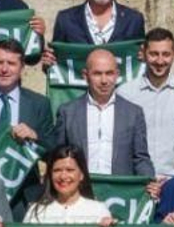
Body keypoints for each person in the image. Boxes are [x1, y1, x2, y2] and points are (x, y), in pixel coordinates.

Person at [51, 48, 154, 177]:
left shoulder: (134, 113)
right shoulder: (68, 112)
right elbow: (58, 157)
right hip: (80, 191)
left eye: (109, 73)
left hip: (117, 191)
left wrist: (149, 181)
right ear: (85, 75)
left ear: (117, 74)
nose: (104, 80)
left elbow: (140, 158)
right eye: (97, 74)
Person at [117, 28, 174, 180]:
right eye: (154, 54)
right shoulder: (125, 93)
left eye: (166, 54)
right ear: (143, 53)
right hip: (136, 179)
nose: (160, 61)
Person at [23, 144, 117, 227]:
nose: (63, 176)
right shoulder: (36, 211)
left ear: (81, 174)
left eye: (70, 170)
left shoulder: (98, 211)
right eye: (57, 170)